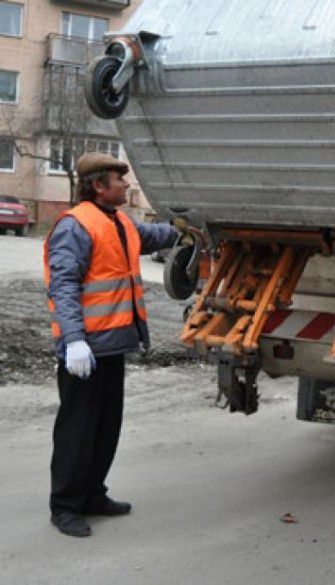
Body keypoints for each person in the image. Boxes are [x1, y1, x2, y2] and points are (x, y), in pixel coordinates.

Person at [44, 153, 181, 537]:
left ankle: (93, 494)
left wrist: (184, 227)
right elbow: (63, 286)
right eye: (119, 179)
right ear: (98, 186)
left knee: (106, 427)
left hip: (113, 346)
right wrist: (73, 341)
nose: (126, 185)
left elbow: (154, 236)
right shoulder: (75, 226)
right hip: (85, 351)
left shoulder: (119, 221)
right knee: (78, 430)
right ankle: (66, 506)